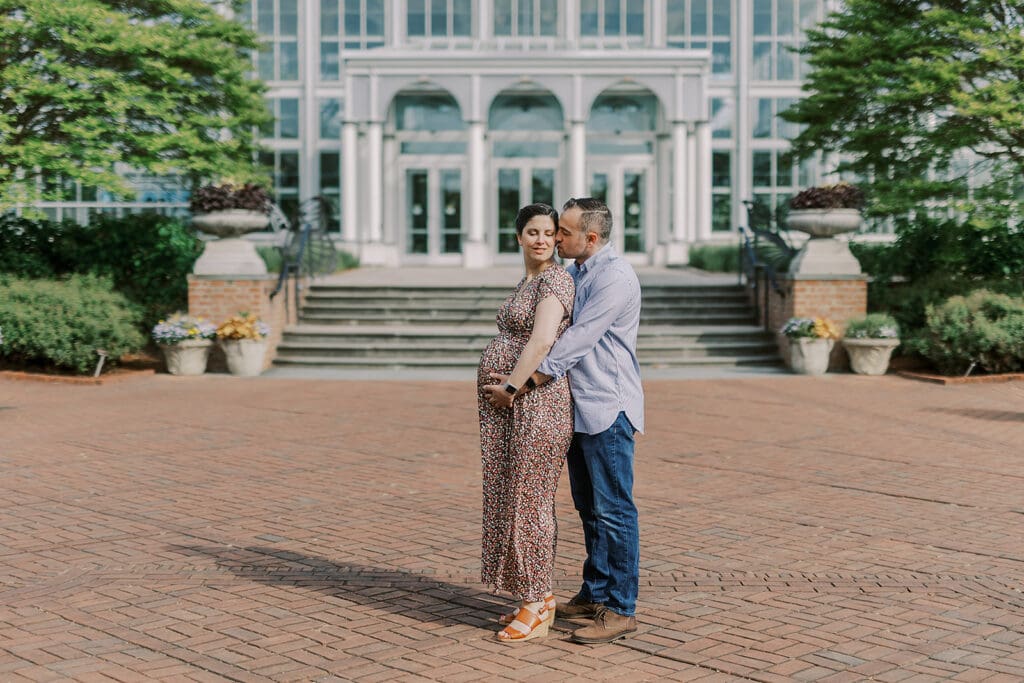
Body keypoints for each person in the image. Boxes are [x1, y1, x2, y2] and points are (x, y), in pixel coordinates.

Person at [485, 196, 644, 644]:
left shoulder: (614, 277)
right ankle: (595, 592)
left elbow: (578, 338)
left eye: (564, 232)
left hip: (607, 405)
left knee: (614, 510)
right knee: (590, 509)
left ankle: (621, 608)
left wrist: (525, 381)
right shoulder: (576, 272)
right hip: (577, 406)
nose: (555, 238)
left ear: (589, 238)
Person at [477, 203, 576, 643]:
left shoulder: (555, 280)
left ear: (558, 239)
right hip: (512, 407)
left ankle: (538, 603)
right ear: (518, 237)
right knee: (512, 497)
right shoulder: (529, 280)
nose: (540, 239)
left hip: (537, 404)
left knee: (530, 501)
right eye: (532, 232)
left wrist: (511, 388)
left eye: (548, 232)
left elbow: (541, 340)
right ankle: (533, 597)